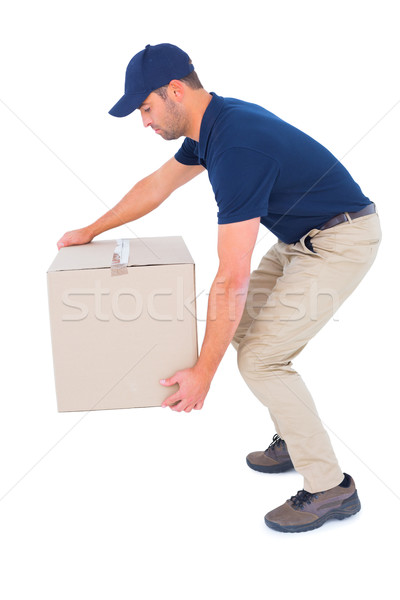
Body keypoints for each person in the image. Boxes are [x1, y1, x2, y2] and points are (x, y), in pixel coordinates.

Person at [57, 43, 382, 533]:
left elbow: (231, 277)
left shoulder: (236, 147)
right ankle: (296, 437)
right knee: (243, 331)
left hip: (341, 240)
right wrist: (92, 229)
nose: (144, 122)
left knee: (260, 358)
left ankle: (331, 489)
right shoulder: (212, 126)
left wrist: (202, 375)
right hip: (302, 237)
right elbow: (157, 186)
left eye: (144, 108)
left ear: (173, 91)